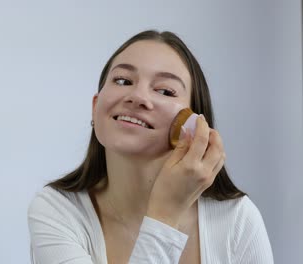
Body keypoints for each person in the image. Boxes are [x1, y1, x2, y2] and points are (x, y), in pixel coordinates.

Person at [27, 30, 274, 263]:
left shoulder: (237, 219)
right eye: (123, 80)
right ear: (96, 106)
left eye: (165, 91)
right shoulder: (57, 211)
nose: (138, 97)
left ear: (193, 125)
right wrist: (164, 217)